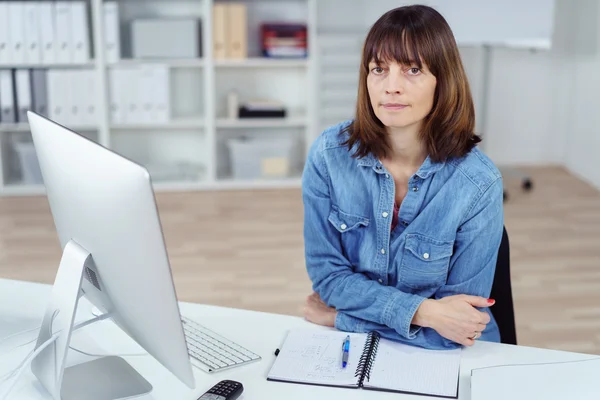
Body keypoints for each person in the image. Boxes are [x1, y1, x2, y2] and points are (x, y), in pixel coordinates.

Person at [301, 4, 504, 350]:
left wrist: (341, 318)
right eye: (379, 69)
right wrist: (425, 312)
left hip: (445, 359)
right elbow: (328, 278)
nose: (390, 87)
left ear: (443, 81)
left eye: (412, 69)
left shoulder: (478, 184)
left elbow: (459, 327)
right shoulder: (328, 156)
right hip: (366, 348)